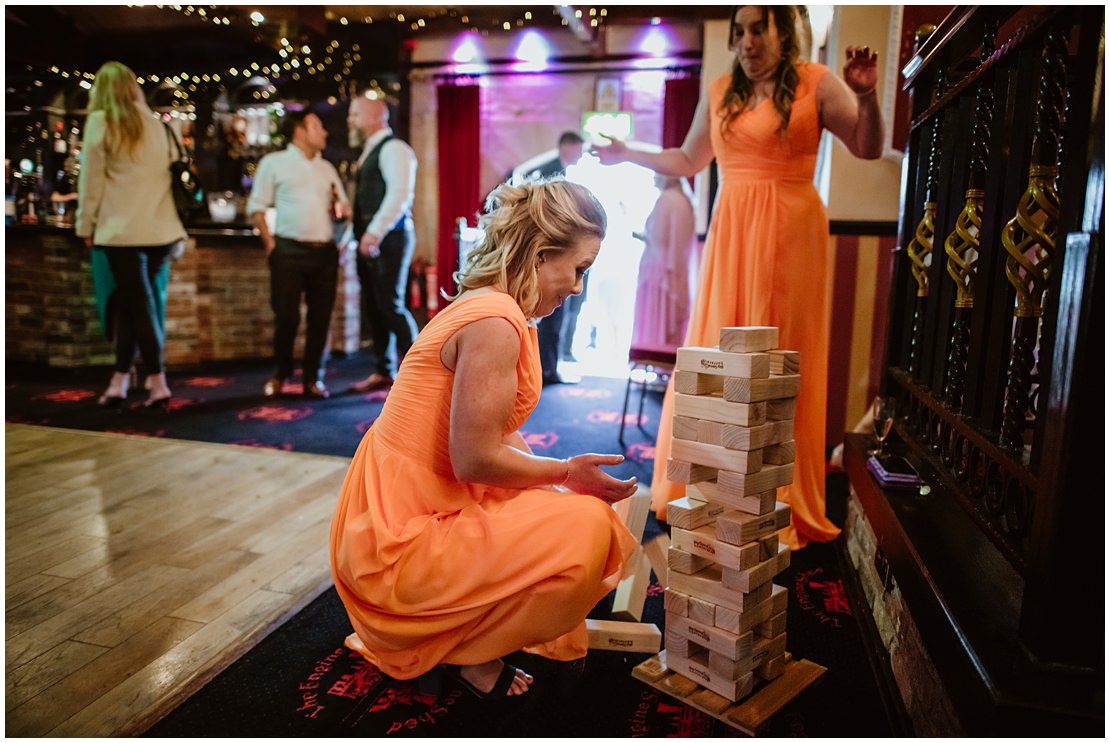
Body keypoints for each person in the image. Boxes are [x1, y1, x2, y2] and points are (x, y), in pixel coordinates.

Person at [330, 179, 638, 699]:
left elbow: (497, 431)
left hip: (421, 498)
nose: (579, 286)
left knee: (580, 511)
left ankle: (460, 630)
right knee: (586, 527)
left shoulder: (498, 306)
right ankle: (464, 650)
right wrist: (564, 474)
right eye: (580, 269)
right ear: (541, 254)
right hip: (400, 536)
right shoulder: (496, 321)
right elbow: (473, 458)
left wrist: (551, 487)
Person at [594, 5, 884, 549]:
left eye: (758, 29)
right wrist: (625, 153)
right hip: (732, 232)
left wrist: (866, 96)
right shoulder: (722, 87)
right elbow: (685, 158)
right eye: (740, 32)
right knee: (719, 354)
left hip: (793, 233)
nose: (747, 42)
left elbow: (867, 148)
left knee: (781, 355)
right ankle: (712, 488)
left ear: (786, 31)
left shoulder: (816, 84)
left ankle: (777, 496)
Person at [75, 61, 185, 410]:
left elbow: (90, 182)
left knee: (138, 305)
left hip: (122, 231)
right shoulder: (159, 126)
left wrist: (85, 225)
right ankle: (120, 378)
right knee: (130, 304)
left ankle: (157, 380)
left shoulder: (100, 122)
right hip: (161, 230)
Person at [247, 109, 351, 399]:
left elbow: (344, 210)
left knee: (320, 318)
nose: (325, 133)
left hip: (324, 251)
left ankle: (312, 378)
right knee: (287, 317)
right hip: (288, 249)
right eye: (318, 126)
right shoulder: (274, 163)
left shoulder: (327, 168)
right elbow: (257, 207)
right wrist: (270, 244)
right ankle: (280, 374)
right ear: (300, 131)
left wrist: (340, 212)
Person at [345, 93, 420, 394]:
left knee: (391, 305)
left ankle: (419, 374)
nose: (350, 120)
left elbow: (400, 195)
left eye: (354, 114)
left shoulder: (395, 149)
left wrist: (374, 232)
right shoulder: (369, 151)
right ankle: (384, 370)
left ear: (376, 116)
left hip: (392, 238)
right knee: (374, 307)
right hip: (369, 240)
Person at [528, 131, 587, 384]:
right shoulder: (552, 175)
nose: (581, 155)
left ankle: (548, 368)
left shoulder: (557, 171)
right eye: (579, 150)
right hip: (551, 256)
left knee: (554, 318)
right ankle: (547, 371)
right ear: (568, 148)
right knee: (550, 318)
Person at [631, 173, 696, 353]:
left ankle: (653, 356)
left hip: (659, 271)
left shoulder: (667, 199)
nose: (654, 179)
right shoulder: (684, 200)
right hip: (675, 269)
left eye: (657, 174)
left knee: (657, 318)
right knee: (669, 319)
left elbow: (659, 238)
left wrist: (642, 236)